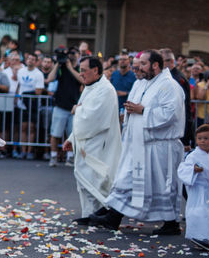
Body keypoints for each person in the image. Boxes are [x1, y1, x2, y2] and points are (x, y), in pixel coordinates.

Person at [90, 51, 187, 235]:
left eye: (142, 64)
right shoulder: (142, 83)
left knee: (163, 186)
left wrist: (143, 110)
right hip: (140, 143)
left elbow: (170, 114)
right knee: (128, 178)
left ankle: (171, 223)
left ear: (155, 65)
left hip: (160, 146)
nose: (137, 68)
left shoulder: (169, 86)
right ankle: (113, 216)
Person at [63, 56, 122, 225]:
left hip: (100, 143)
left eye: (83, 70)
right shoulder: (91, 87)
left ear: (95, 70)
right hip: (86, 142)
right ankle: (89, 214)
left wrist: (77, 110)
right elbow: (85, 114)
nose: (81, 74)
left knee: (96, 179)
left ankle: (103, 214)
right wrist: (72, 138)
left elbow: (93, 118)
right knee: (84, 180)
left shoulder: (106, 90)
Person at [178, 124, 209, 251]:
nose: (202, 141)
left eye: (206, 138)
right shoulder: (193, 155)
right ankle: (199, 237)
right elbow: (183, 169)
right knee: (199, 213)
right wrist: (193, 170)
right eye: (199, 138)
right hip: (199, 190)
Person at [45, 48, 83, 167]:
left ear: (78, 55)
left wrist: (70, 67)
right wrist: (58, 63)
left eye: (73, 54)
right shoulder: (61, 68)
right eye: (69, 54)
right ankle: (53, 156)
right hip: (60, 105)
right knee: (55, 133)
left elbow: (82, 80)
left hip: (74, 107)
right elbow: (49, 79)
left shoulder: (79, 68)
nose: (70, 56)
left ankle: (70, 158)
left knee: (72, 134)